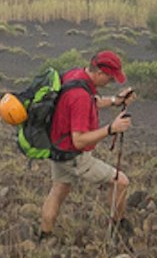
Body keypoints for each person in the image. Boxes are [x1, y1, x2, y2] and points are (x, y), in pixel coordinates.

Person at [38, 50, 132, 238]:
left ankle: (44, 237)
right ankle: (118, 229)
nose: (110, 83)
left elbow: (92, 102)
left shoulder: (75, 75)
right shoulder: (80, 96)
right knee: (121, 182)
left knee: (58, 190)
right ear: (99, 73)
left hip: (57, 149)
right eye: (110, 78)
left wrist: (116, 101)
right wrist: (111, 129)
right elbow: (79, 140)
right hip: (75, 157)